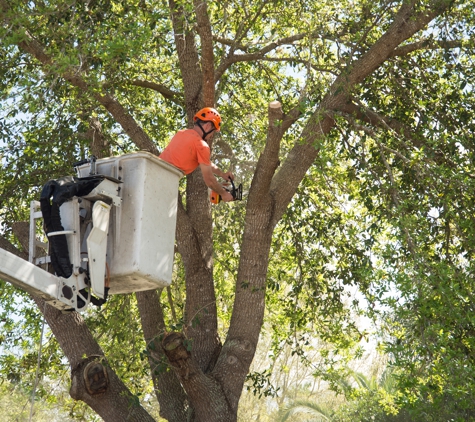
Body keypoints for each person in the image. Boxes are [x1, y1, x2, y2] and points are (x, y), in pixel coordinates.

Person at [159, 107, 235, 202]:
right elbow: (209, 180)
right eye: (213, 132)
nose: (211, 136)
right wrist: (223, 193)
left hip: (155, 173)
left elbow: (206, 162)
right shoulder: (201, 145)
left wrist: (221, 174)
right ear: (207, 126)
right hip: (165, 181)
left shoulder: (181, 133)